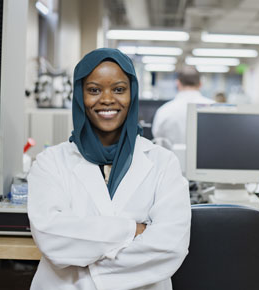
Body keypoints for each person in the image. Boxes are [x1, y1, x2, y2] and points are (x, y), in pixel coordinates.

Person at [27, 48, 191, 290]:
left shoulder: (163, 163)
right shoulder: (50, 162)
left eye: (119, 89)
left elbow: (169, 246)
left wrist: (86, 266)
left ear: (132, 94)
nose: (106, 99)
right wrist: (133, 229)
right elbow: (52, 238)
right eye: (94, 90)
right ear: (79, 96)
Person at [151, 66, 214, 145]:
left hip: (172, 157)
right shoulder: (215, 108)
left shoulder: (164, 111)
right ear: (200, 84)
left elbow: (157, 139)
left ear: (178, 83)